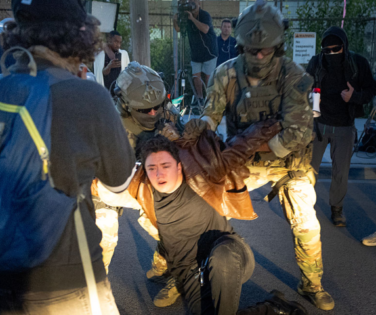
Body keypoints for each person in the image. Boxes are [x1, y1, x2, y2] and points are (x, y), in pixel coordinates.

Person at [0, 0, 136, 314]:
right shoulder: (89, 96)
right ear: (81, 35)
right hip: (66, 279)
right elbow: (119, 183)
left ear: (16, 33)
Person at [197, 0, 335, 311]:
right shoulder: (225, 74)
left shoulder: (293, 75)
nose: (259, 55)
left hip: (288, 164)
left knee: (307, 224)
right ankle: (177, 269)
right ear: (241, 43)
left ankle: (311, 283)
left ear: (279, 44)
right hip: (242, 164)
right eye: (252, 49)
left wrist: (253, 144)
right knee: (197, 209)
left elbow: (298, 132)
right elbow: (211, 116)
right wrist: (201, 132)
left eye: (266, 49)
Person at [118, 127, 309, 315]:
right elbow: (102, 182)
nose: (159, 174)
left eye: (165, 166)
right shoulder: (143, 190)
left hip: (229, 254)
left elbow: (240, 146)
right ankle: (271, 307)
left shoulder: (202, 176)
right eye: (152, 168)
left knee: (221, 257)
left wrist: (276, 125)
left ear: (178, 166)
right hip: (192, 274)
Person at [92, 61, 185, 307]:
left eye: (157, 107)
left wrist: (177, 141)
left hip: (150, 183)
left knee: (175, 228)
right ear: (124, 104)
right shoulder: (106, 119)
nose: (154, 114)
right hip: (110, 185)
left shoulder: (166, 112)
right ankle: (94, 295)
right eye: (146, 110)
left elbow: (190, 147)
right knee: (101, 235)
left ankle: (174, 272)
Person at [306, 26, 374, 227]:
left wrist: (355, 97)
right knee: (308, 171)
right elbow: (303, 87)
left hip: (344, 127)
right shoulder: (316, 62)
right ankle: (304, 207)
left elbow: (371, 90)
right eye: (327, 51)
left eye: (337, 49)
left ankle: (337, 209)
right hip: (318, 125)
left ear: (344, 46)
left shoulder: (358, 63)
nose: (332, 54)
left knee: (340, 172)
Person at [173, 0, 218, 104]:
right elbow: (179, 29)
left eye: (195, 2)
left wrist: (192, 18)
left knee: (208, 78)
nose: (192, 5)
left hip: (209, 52)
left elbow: (205, 29)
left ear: (199, 4)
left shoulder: (205, 15)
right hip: (196, 52)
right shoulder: (187, 15)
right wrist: (175, 20)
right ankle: (200, 99)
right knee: (195, 77)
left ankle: (209, 99)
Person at [93, 30, 130, 95]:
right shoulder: (101, 55)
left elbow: (127, 73)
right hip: (106, 90)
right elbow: (102, 73)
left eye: (120, 42)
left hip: (120, 91)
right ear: (109, 40)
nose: (118, 45)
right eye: (116, 41)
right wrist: (109, 66)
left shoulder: (124, 54)